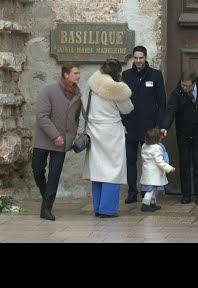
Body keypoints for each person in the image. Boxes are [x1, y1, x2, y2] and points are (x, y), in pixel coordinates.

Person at [82, 58, 134, 218]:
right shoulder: (116, 88)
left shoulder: (91, 83)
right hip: (111, 131)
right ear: (117, 72)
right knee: (112, 170)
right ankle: (108, 209)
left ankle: (97, 208)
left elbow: (84, 105)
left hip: (93, 129)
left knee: (97, 170)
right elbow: (127, 109)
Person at [31, 62, 82, 221]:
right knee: (38, 171)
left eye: (78, 73)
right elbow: (42, 116)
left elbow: (75, 118)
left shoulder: (77, 94)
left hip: (62, 143)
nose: (78, 76)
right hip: (43, 140)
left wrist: (71, 135)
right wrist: (55, 135)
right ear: (66, 75)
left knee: (54, 176)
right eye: (75, 73)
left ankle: (46, 209)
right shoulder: (49, 91)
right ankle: (46, 195)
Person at [161, 71, 198, 205]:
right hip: (183, 133)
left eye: (187, 86)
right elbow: (171, 110)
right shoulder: (177, 93)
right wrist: (165, 127)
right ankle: (186, 194)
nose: (185, 88)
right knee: (184, 163)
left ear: (194, 83)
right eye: (183, 85)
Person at [121, 46, 166, 204]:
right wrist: (122, 123)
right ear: (133, 58)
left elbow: (161, 102)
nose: (138, 61)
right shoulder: (125, 75)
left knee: (150, 161)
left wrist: (159, 125)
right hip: (131, 125)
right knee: (130, 160)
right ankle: (132, 192)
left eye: (141, 58)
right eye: (136, 58)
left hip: (149, 127)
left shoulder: (155, 75)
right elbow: (121, 101)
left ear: (146, 57)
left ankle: (148, 192)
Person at [140, 128, 176, 212]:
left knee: (152, 190)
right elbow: (160, 162)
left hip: (147, 172)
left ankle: (152, 204)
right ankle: (145, 204)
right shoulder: (156, 148)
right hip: (153, 173)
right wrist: (169, 168)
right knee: (150, 191)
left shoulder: (145, 146)